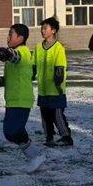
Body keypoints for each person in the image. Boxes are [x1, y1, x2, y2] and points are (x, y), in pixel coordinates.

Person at [0, 24, 45, 173]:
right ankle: (35, 155)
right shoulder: (13, 57)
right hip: (13, 100)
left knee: (13, 131)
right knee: (11, 132)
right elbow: (10, 77)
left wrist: (6, 54)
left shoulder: (24, 52)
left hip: (21, 99)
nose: (8, 37)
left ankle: (35, 156)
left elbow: (15, 56)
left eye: (11, 34)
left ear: (20, 38)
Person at [33, 17, 72, 147]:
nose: (42, 30)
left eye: (45, 28)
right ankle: (49, 137)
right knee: (45, 115)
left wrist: (58, 83)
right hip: (43, 89)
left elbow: (60, 67)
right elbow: (33, 65)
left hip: (56, 89)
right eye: (42, 28)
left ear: (53, 30)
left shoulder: (58, 47)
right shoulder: (38, 47)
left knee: (57, 114)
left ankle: (66, 137)